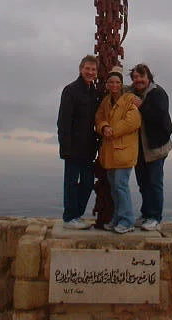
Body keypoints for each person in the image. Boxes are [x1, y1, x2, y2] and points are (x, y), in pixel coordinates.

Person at [95, 67, 141, 234]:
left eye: (117, 82)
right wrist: (104, 126)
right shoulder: (106, 102)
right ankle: (117, 217)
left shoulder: (129, 100)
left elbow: (133, 121)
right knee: (114, 187)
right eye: (111, 82)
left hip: (124, 151)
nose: (114, 85)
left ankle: (127, 220)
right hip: (110, 152)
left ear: (121, 84)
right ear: (107, 84)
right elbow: (99, 118)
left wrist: (112, 130)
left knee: (121, 186)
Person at [57, 55, 100, 229]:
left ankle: (77, 215)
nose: (90, 72)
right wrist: (65, 147)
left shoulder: (94, 92)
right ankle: (69, 217)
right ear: (81, 69)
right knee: (71, 183)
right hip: (73, 147)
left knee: (88, 182)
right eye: (87, 69)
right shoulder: (70, 90)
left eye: (93, 70)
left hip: (89, 148)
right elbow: (63, 121)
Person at [130, 63, 172, 231]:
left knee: (154, 182)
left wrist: (141, 106)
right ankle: (146, 214)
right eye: (135, 77)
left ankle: (155, 217)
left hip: (156, 148)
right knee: (143, 183)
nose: (138, 80)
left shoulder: (158, 93)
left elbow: (158, 117)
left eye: (141, 77)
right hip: (140, 148)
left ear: (149, 78)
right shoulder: (133, 93)